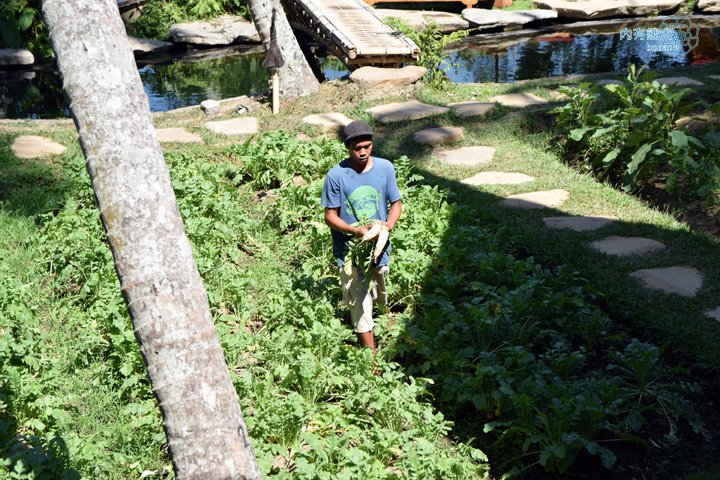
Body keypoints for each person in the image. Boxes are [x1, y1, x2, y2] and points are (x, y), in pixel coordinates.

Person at [321, 120, 402, 354]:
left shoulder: (385, 168)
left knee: (379, 294)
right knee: (360, 304)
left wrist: (388, 225)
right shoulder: (336, 176)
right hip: (350, 251)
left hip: (379, 249)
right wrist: (355, 231)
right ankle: (371, 359)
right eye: (358, 148)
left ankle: (376, 322)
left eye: (367, 146)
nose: (363, 152)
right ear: (348, 147)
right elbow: (330, 216)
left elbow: (396, 204)